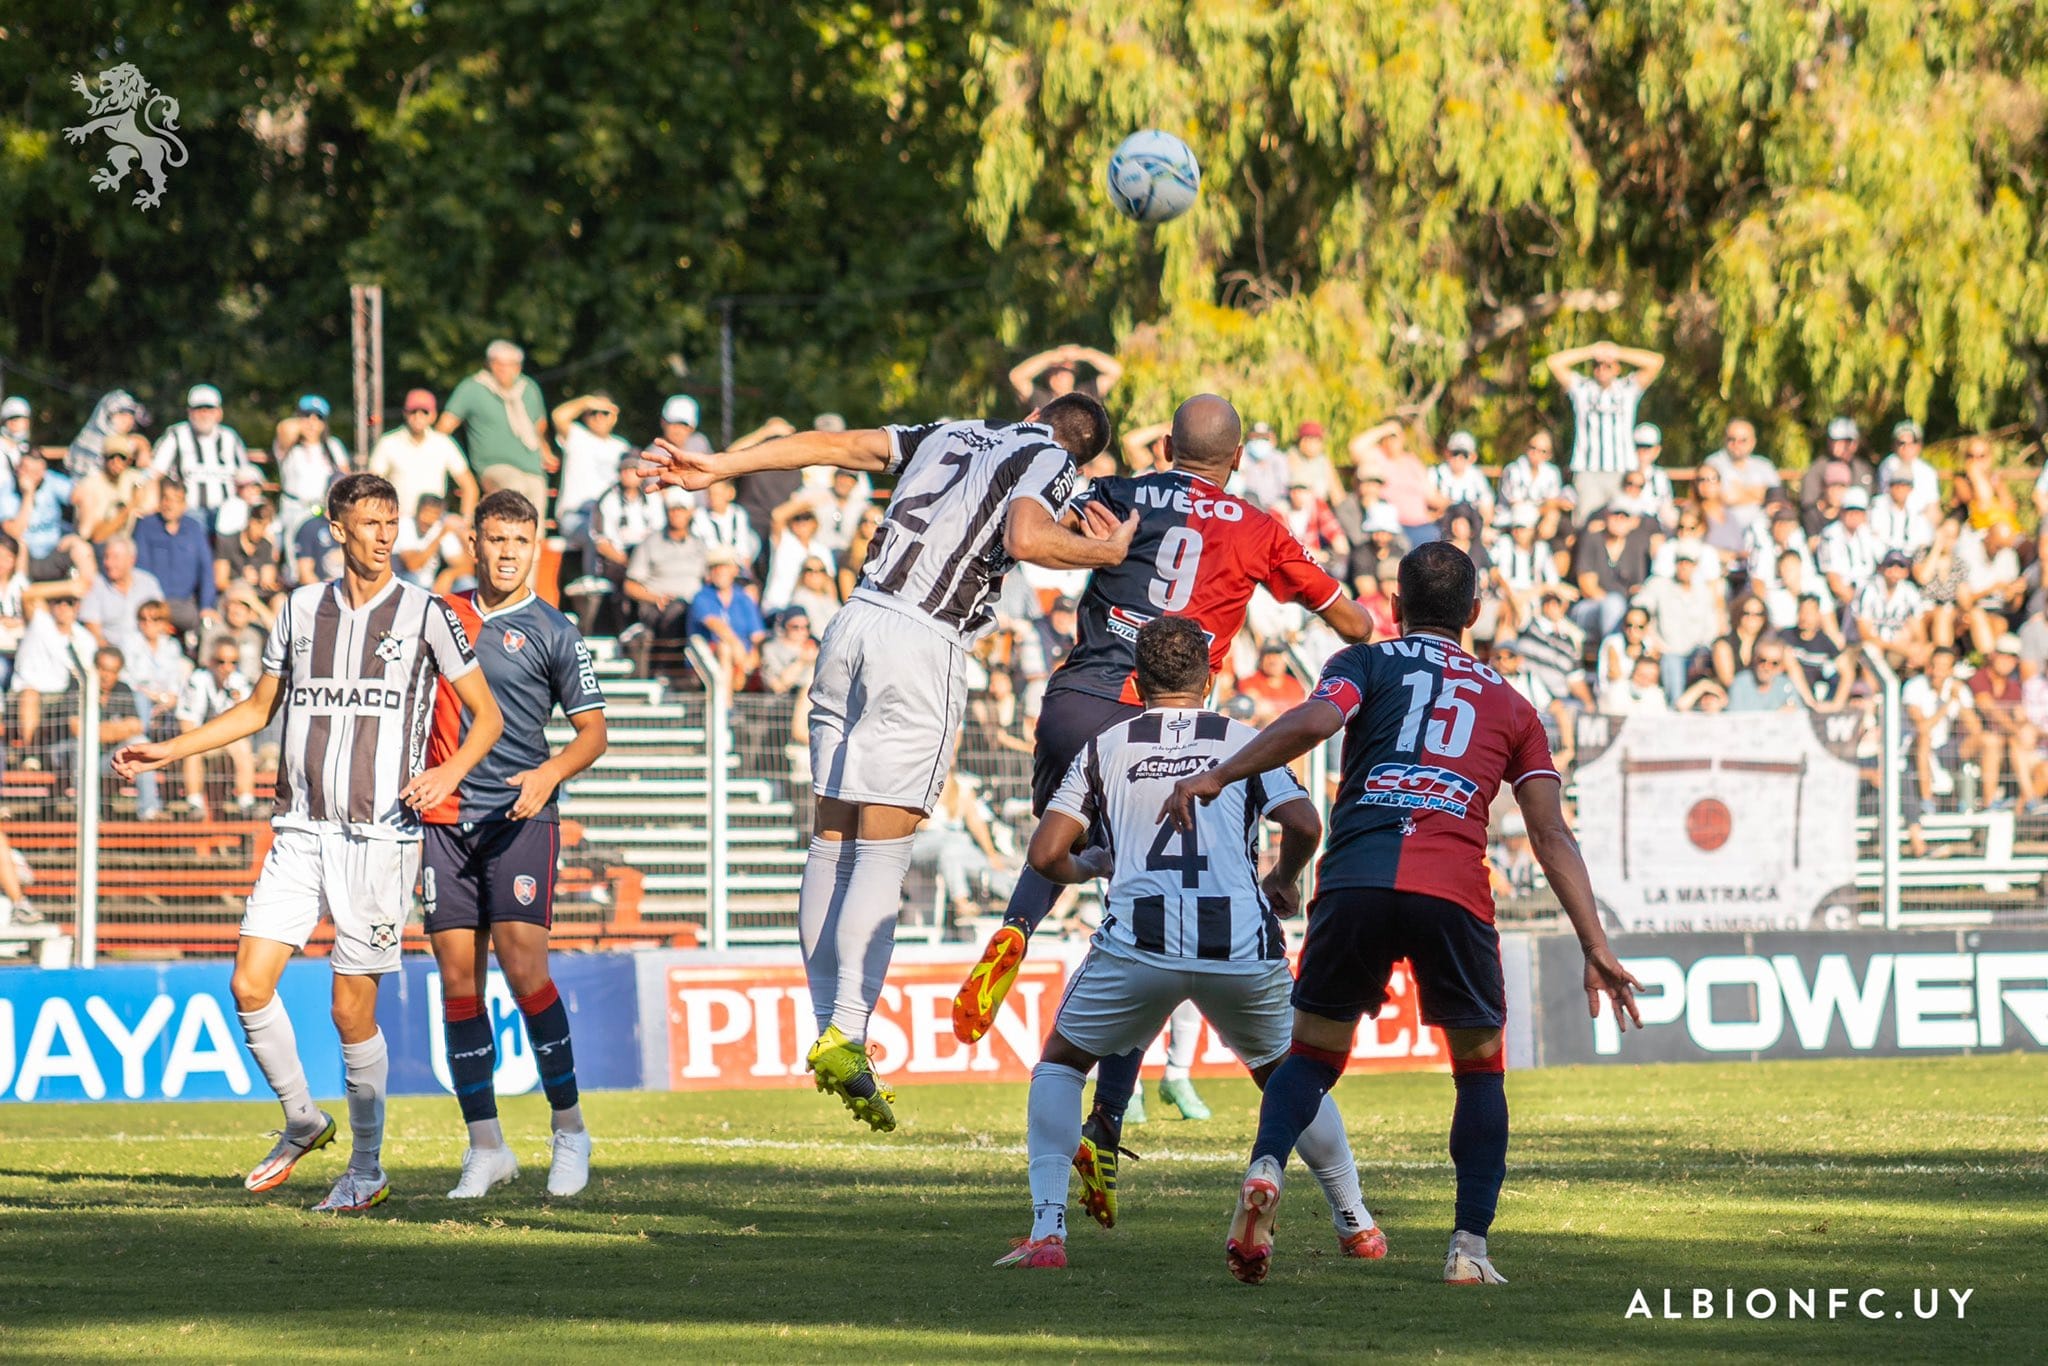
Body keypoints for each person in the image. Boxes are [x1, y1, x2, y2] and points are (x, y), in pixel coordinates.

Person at [1159, 541, 1642, 1287]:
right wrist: (1594, 941)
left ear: (1395, 603)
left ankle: (1266, 1166)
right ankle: (1468, 1251)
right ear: (1475, 613)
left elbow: (1317, 722)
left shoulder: (1369, 663)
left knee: (1314, 1054)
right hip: (1452, 889)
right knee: (1479, 1072)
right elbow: (1549, 832)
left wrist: (1221, 773)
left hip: (1354, 880)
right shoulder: (1515, 706)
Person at [644, 393, 1127, 1132]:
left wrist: (722, 467)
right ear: (1081, 451)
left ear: (1029, 407)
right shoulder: (1051, 459)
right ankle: (847, 1030)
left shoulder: (949, 432)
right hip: (923, 643)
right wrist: (1103, 551)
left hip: (852, 621)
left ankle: (829, 1030)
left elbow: (831, 446)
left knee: (829, 838)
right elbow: (1027, 537)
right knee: (883, 849)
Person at [947, 395, 1369, 1190]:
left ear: (1167, 444)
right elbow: (1347, 620)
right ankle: (1105, 1123)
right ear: (1237, 457)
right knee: (1153, 928)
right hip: (1167, 725)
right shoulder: (1257, 526)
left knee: (1076, 859)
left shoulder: (1122, 491)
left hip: (1078, 703)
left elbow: (1037, 533)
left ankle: (1015, 929)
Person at [112, 472, 504, 1213]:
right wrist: (169, 750)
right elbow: (260, 709)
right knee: (248, 984)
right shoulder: (296, 610)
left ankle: (365, 1167)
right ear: (336, 527)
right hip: (300, 827)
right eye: (370, 522)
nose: (385, 535)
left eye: (391, 521)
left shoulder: (426, 613)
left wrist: (445, 770)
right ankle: (302, 1119)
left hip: (379, 836)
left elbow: (485, 717)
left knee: (350, 1012)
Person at [998, 616, 1377, 1269]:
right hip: (1237, 941)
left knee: (1061, 1063)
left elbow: (1044, 852)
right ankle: (1356, 1223)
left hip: (1137, 944)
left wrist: (1087, 866)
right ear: (1212, 677)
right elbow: (1305, 821)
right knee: (1291, 1077)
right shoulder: (1243, 739)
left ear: (1136, 681)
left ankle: (1047, 1232)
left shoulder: (1106, 746)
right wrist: (1283, 879)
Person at [421, 489, 608, 1200]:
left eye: (519, 542)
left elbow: (594, 732)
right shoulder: (439, 615)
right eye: (495, 540)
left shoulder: (556, 631)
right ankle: (487, 1147)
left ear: (537, 548)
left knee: (526, 969)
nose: (506, 553)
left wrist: (549, 771)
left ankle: (569, 1130)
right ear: (475, 544)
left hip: (521, 816)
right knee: (458, 984)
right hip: (445, 822)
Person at [1544, 339, 1665, 522]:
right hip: (1588, 470)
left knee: (1622, 522)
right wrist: (1591, 351)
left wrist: (1617, 352)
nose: (1602, 369)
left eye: (1608, 365)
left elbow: (1656, 362)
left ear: (1617, 368)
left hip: (1621, 469)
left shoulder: (1627, 388)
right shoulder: (1582, 388)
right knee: (1587, 525)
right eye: (1597, 365)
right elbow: (1554, 362)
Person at [438, 341, 554, 517]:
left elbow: (540, 425)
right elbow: (445, 426)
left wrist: (545, 451)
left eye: (509, 365)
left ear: (518, 367)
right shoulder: (473, 388)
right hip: (493, 467)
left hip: (531, 467)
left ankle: (534, 543)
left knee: (536, 502)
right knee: (515, 493)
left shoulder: (529, 388)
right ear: (489, 364)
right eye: (498, 363)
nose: (504, 369)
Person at [7, 591, 94, 765]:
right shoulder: (40, 623)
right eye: (57, 602)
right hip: (25, 694)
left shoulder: (85, 639)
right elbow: (26, 596)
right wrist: (71, 586)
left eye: (68, 602)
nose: (62, 607)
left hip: (62, 698)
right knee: (30, 695)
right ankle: (31, 753)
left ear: (76, 607)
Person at [369, 389, 477, 526]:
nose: (418, 416)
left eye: (424, 412)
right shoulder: (388, 443)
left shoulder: (444, 443)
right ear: (405, 414)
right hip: (400, 522)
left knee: (455, 543)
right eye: (413, 411)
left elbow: (469, 486)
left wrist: (465, 522)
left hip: (436, 522)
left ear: (433, 415)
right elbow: (371, 486)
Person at [176, 639, 256, 818]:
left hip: (226, 738)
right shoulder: (197, 681)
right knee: (192, 747)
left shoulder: (240, 682)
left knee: (243, 746)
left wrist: (238, 706)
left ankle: (246, 802)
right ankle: (194, 803)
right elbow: (187, 724)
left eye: (233, 662)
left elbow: (247, 723)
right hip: (199, 737)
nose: (227, 667)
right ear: (211, 661)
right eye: (221, 661)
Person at [149, 384, 250, 523]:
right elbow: (155, 473)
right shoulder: (176, 435)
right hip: (189, 511)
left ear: (219, 412)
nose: (204, 414)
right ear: (189, 412)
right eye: (198, 409)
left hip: (227, 513)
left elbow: (246, 475)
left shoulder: (230, 437)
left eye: (209, 409)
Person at [132, 480, 215, 639]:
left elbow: (206, 569)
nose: (169, 504)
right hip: (153, 601)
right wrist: (156, 606)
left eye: (176, 500)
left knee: (207, 625)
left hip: (184, 603)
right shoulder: (146, 526)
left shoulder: (194, 529)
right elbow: (141, 569)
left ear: (184, 504)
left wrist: (206, 605)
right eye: (166, 498)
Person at [549, 392, 631, 541]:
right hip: (575, 516)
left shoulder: (622, 447)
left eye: (605, 413)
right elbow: (558, 416)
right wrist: (586, 401)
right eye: (593, 412)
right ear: (585, 415)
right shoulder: (576, 435)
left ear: (614, 417)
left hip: (611, 516)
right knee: (596, 534)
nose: (599, 417)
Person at [272, 395, 351, 547]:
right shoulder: (289, 446)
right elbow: (284, 428)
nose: (312, 422)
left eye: (318, 417)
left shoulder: (333, 446)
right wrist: (303, 424)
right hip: (295, 509)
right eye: (307, 415)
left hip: (324, 512)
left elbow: (344, 478)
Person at [687, 545, 766, 686]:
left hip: (743, 662)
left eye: (724, 566)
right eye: (715, 567)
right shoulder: (701, 597)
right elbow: (716, 625)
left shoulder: (744, 598)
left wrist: (751, 658)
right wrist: (737, 648)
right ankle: (725, 704)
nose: (719, 571)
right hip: (709, 661)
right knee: (725, 648)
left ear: (734, 570)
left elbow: (757, 635)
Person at [80, 536, 164, 653]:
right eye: (106, 557)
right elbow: (92, 630)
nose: (108, 563)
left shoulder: (149, 583)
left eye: (115, 558)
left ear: (131, 560)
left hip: (146, 651)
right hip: (112, 654)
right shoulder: (96, 585)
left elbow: (161, 620)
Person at [1701, 419, 1779, 530]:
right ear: (1724, 440)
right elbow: (1722, 497)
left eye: (1743, 440)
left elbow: (1776, 498)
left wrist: (1740, 492)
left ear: (1753, 442)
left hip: (1763, 528)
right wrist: (1759, 494)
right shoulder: (1713, 464)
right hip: (1725, 528)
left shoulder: (1764, 466)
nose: (1736, 444)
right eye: (1731, 439)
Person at [1009, 343, 1122, 409]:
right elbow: (1016, 376)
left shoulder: (1086, 393)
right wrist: (1050, 356)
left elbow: (1116, 370)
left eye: (1065, 371)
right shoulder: (1041, 398)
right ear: (1047, 376)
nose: (1060, 376)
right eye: (1055, 371)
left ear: (1074, 375)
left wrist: (1084, 354)